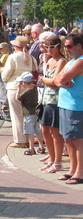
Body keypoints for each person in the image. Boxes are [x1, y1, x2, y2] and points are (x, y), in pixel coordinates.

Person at [54, 33, 83, 184]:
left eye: (69, 46)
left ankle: (80, 172)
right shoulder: (71, 62)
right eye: (65, 46)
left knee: (77, 139)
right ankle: (72, 169)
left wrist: (62, 80)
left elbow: (61, 78)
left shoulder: (80, 61)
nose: (66, 49)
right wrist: (62, 80)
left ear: (79, 46)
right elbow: (56, 79)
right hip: (65, 104)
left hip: (76, 106)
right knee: (68, 138)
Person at [1, 35, 37, 148]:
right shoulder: (31, 58)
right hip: (29, 88)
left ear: (16, 47)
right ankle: (28, 138)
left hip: (15, 87)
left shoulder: (13, 57)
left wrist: (2, 73)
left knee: (16, 115)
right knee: (28, 114)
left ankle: (20, 140)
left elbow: (6, 75)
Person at [38, 33, 66, 173]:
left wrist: (44, 80)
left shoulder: (61, 61)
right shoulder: (48, 61)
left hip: (55, 99)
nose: (49, 49)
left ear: (58, 47)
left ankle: (57, 161)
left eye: (51, 47)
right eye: (46, 46)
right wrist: (44, 79)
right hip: (45, 99)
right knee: (45, 130)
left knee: (55, 132)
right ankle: (51, 158)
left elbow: (55, 82)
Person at [16, 72, 44, 155]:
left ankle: (31, 148)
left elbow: (17, 98)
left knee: (30, 132)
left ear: (24, 82)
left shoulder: (26, 93)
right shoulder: (36, 89)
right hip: (36, 113)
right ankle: (41, 147)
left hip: (28, 114)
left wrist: (19, 88)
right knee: (37, 131)